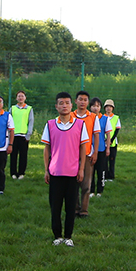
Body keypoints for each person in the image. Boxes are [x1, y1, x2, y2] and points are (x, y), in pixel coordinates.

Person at [42, 92, 88, 246]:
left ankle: (68, 236)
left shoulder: (80, 125)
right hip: (55, 172)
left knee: (70, 207)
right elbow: (46, 149)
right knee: (55, 207)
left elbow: (83, 148)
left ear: (71, 105)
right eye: (61, 103)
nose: (64, 105)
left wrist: (81, 169)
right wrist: (46, 170)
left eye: (67, 103)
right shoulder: (50, 124)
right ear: (56, 106)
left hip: (73, 172)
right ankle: (57, 235)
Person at [73, 91, 100, 218]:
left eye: (85, 100)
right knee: (73, 185)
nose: (82, 102)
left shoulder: (93, 117)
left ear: (88, 102)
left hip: (88, 154)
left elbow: (96, 135)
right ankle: (75, 208)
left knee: (86, 185)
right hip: (72, 155)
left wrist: (95, 152)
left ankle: (84, 210)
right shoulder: (71, 116)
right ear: (76, 101)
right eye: (80, 99)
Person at [9, 91, 34, 180]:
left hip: (24, 136)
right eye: (19, 96)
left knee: (23, 155)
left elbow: (31, 122)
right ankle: (13, 173)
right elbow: (9, 121)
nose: (20, 98)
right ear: (16, 98)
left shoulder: (29, 109)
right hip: (14, 136)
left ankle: (21, 173)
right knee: (13, 155)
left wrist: (28, 134)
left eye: (22, 96)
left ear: (25, 98)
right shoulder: (12, 108)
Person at [93, 97, 114, 196]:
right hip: (90, 149)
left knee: (101, 171)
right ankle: (91, 190)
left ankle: (100, 190)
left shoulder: (105, 119)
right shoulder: (88, 118)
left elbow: (108, 134)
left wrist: (108, 148)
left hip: (101, 148)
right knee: (91, 172)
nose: (95, 108)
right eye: (93, 106)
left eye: (97, 106)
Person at [102, 99, 121, 181]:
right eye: (107, 107)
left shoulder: (116, 118)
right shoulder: (101, 117)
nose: (108, 108)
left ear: (113, 108)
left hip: (113, 142)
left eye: (110, 107)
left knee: (112, 159)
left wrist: (111, 139)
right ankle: (105, 176)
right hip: (103, 142)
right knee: (104, 160)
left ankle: (111, 176)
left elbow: (117, 130)